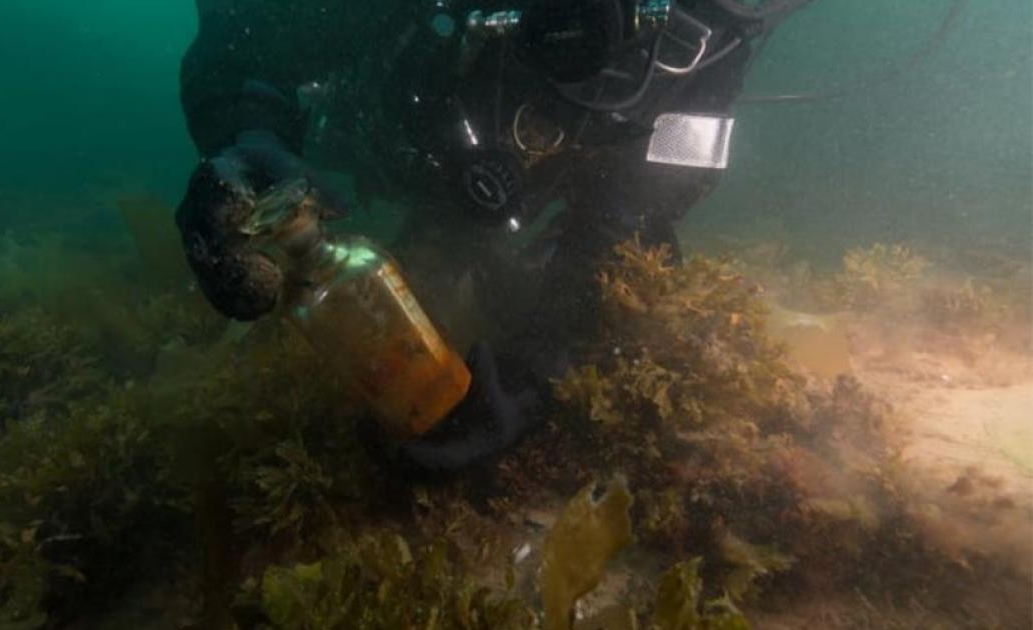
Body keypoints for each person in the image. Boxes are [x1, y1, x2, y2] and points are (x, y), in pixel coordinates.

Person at [175, 0, 805, 471]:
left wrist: (546, 360)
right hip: (385, 127)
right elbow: (252, 37)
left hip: (518, 173)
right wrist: (245, 135)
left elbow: (646, 203)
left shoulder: (710, 51)